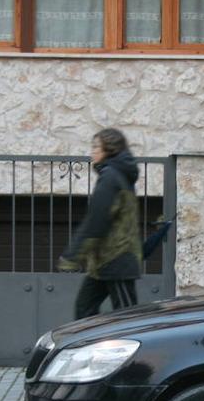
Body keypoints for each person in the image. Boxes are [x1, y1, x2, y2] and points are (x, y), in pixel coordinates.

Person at [58, 128, 143, 319]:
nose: (92, 152)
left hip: (117, 260)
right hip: (104, 262)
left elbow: (96, 221)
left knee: (128, 319)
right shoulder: (116, 176)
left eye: (96, 147)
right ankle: (91, 348)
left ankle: (135, 349)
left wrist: (73, 254)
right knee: (84, 310)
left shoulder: (111, 178)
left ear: (109, 150)